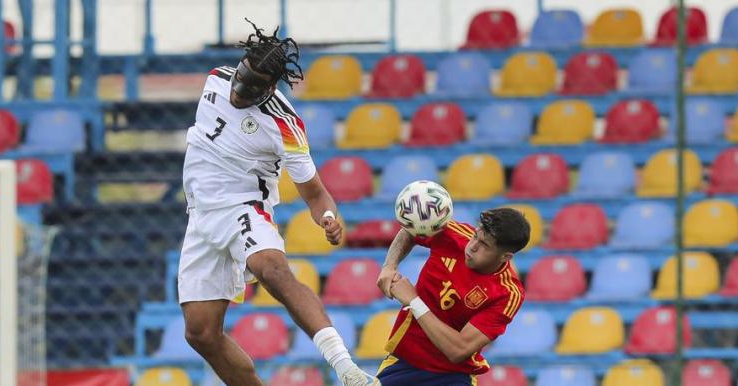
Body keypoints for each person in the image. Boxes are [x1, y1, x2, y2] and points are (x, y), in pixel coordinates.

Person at [178, 19, 379, 386]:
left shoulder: (284, 124)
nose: (239, 89)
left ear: (271, 87)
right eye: (241, 77)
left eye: (252, 86)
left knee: (272, 271)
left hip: (243, 207)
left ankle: (346, 368)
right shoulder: (216, 78)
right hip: (200, 218)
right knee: (201, 334)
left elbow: (315, 192)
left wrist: (329, 218)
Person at [374, 208, 530, 385]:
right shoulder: (455, 234)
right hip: (404, 362)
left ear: (505, 256)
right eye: (475, 236)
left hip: (452, 376)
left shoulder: (507, 294)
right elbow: (411, 230)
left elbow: (458, 350)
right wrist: (389, 266)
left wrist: (414, 302)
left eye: (484, 245)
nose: (472, 246)